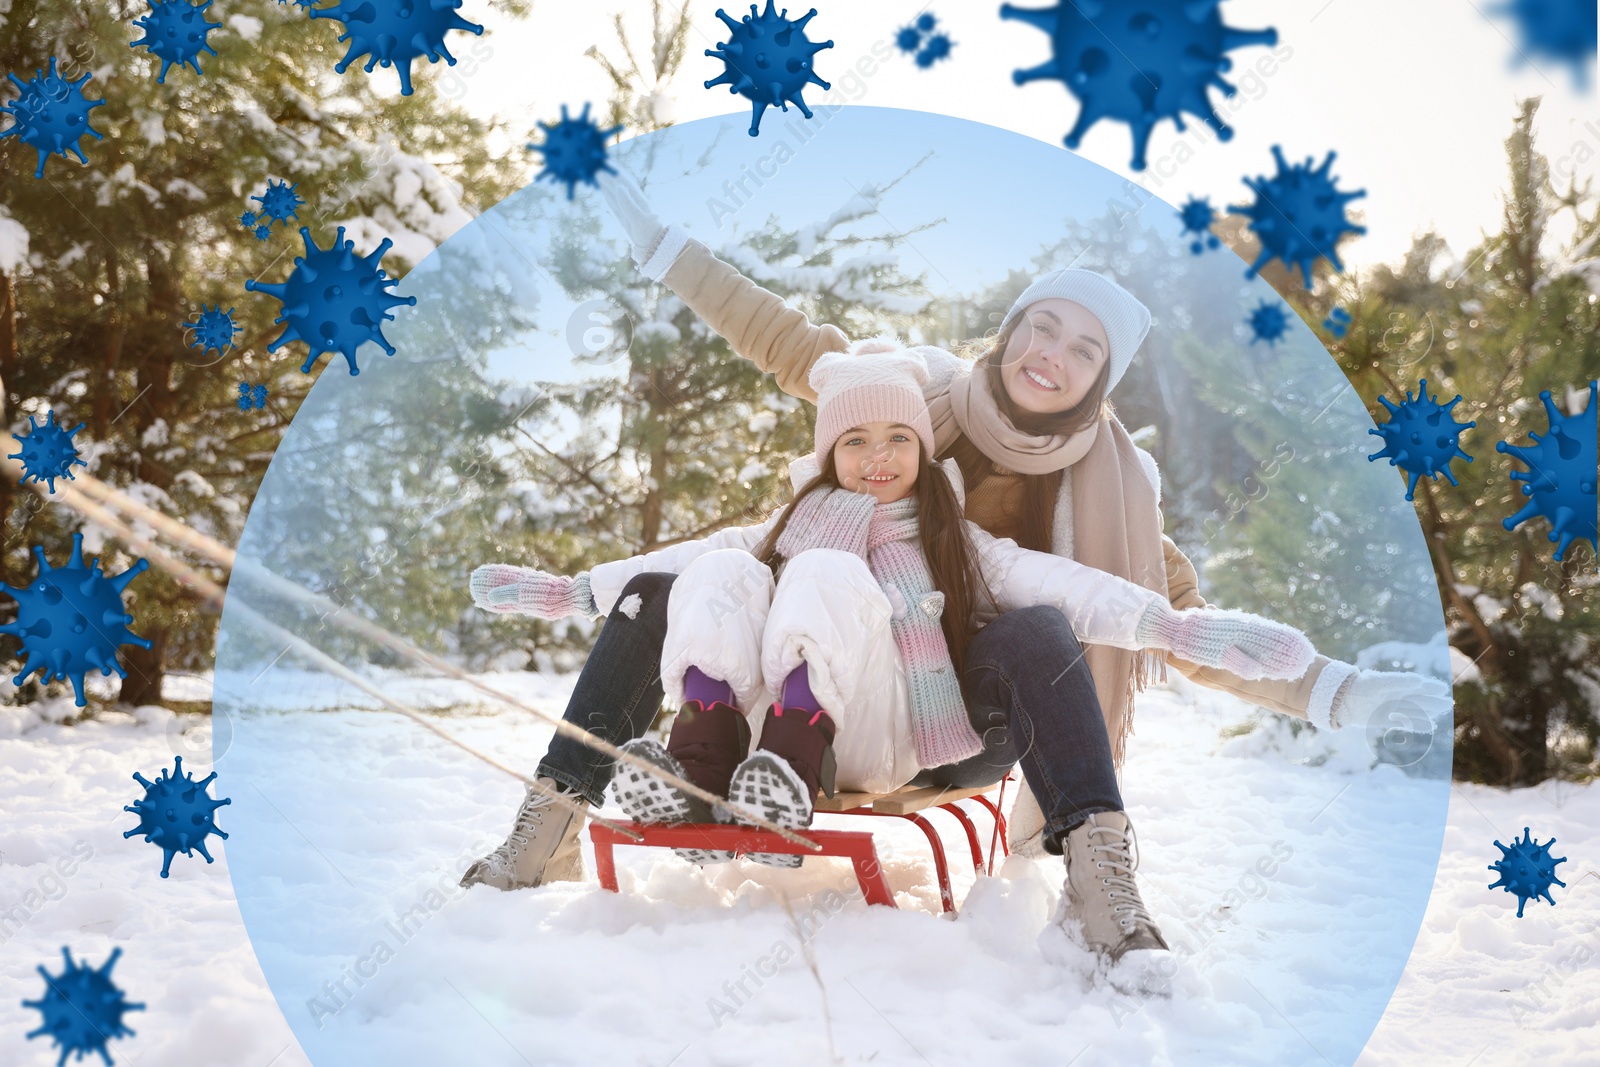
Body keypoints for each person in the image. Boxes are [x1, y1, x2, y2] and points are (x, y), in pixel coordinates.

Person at [458, 171, 1446, 969]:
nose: (1051, 354)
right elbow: (780, 337)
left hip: (954, 720)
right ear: (1013, 328)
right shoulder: (904, 404)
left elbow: (1156, 617)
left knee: (1040, 624)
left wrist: (1330, 689)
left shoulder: (1119, 495)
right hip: (811, 683)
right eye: (1043, 325)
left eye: (1083, 347)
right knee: (677, 582)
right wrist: (666, 253)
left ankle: (1103, 884)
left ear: (1101, 378)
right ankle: (547, 821)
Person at [472, 350, 1312, 884]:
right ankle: (681, 770)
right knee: (718, 565)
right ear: (829, 456)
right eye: (855, 443)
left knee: (880, 586)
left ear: (921, 450)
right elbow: (668, 565)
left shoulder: (959, 542)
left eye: (897, 440)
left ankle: (1092, 868)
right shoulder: (783, 530)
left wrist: (1174, 626)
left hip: (907, 732)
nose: (878, 460)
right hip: (771, 747)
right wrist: (569, 592)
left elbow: (1063, 582)